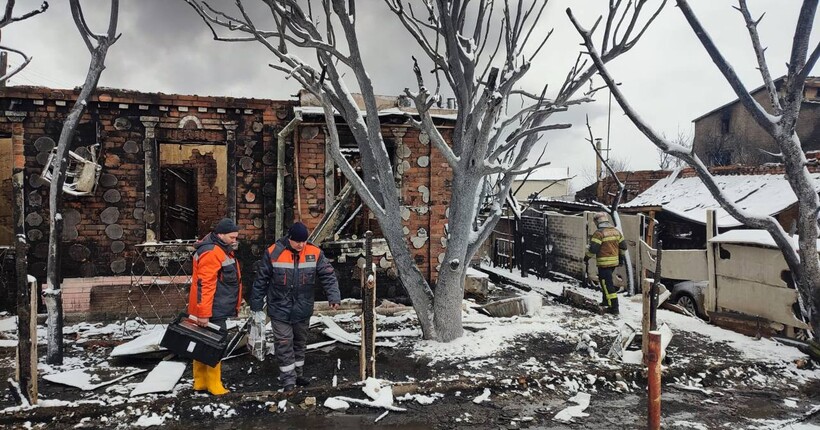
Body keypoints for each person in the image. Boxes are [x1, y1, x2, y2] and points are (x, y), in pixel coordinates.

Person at [251, 222, 341, 392]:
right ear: (289, 239)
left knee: (300, 342)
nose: (301, 245)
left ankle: (298, 374)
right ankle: (288, 380)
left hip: (302, 308)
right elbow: (261, 280)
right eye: (297, 241)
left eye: (304, 241)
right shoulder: (274, 253)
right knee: (284, 343)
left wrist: (334, 296)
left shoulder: (314, 253)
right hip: (279, 308)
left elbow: (328, 275)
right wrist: (256, 304)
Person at [187, 218, 243, 395]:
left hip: (210, 307)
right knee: (214, 345)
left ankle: (200, 382)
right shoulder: (213, 252)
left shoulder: (215, 248)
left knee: (202, 343)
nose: (235, 240)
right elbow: (206, 284)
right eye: (232, 237)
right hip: (212, 310)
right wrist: (204, 313)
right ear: (221, 235)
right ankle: (214, 384)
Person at [584, 212, 627, 315]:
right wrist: (620, 258)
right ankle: (605, 301)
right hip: (613, 263)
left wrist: (586, 258)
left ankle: (614, 308)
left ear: (597, 222)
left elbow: (593, 249)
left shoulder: (599, 233)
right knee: (605, 283)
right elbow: (623, 247)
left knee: (607, 284)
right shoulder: (616, 232)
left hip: (604, 263)